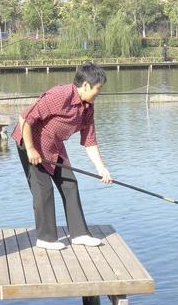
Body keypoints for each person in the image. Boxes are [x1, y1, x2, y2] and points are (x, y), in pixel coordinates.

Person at [11, 62, 113, 250]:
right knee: (44, 189)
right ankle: (45, 238)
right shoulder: (60, 95)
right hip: (30, 141)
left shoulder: (88, 107)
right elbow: (24, 118)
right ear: (85, 86)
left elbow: (89, 141)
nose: (99, 92)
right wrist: (31, 149)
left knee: (69, 183)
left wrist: (101, 168)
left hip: (54, 144)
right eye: (98, 88)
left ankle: (79, 234)